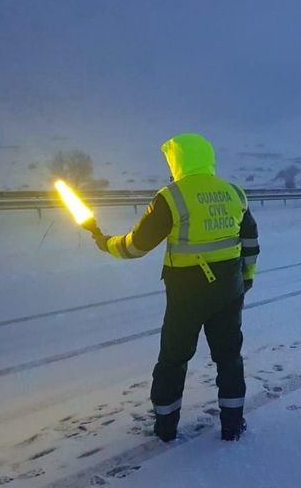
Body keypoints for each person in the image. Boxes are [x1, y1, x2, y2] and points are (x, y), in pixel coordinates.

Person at [91, 133, 259, 442]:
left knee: (173, 359)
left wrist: (105, 243)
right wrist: (247, 277)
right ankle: (233, 426)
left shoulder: (172, 196)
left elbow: (135, 246)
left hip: (186, 294)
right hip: (230, 290)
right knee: (229, 357)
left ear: (178, 161)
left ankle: (166, 427)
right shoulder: (235, 193)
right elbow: (250, 241)